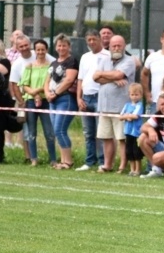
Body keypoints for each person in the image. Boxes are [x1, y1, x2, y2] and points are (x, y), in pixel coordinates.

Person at [93, 34, 135, 173]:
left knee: (121, 138)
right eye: (114, 46)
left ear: (124, 46)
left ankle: (122, 166)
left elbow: (118, 75)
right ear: (109, 47)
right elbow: (95, 77)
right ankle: (107, 165)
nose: (116, 48)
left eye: (119, 45)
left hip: (121, 108)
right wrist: (113, 78)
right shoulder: (104, 60)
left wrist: (104, 74)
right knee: (106, 137)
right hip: (104, 106)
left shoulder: (129, 61)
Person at [19, 39, 57, 166]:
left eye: (43, 49)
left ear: (46, 50)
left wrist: (40, 91)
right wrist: (34, 94)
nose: (40, 52)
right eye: (38, 50)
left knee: (49, 132)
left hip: (46, 101)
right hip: (31, 102)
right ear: (35, 51)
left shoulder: (51, 67)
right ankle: (33, 158)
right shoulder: (29, 66)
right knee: (31, 132)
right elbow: (24, 85)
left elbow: (50, 83)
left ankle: (53, 159)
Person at [76, 29, 110, 171]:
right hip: (86, 97)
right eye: (89, 40)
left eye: (93, 39)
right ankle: (90, 161)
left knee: (100, 132)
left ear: (99, 39)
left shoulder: (108, 55)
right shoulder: (85, 57)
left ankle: (103, 161)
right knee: (88, 133)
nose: (91, 42)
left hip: (100, 97)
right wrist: (79, 98)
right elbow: (80, 79)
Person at [45, 34, 79, 170]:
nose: (61, 48)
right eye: (59, 45)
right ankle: (63, 160)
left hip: (65, 99)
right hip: (52, 100)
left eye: (64, 45)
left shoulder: (72, 61)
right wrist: (47, 93)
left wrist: (56, 93)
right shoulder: (53, 63)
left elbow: (69, 80)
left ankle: (68, 161)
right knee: (56, 130)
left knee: (60, 129)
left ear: (69, 47)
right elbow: (47, 80)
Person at [120, 83, 144, 177]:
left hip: (136, 132)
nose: (134, 97)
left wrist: (128, 116)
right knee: (129, 151)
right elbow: (121, 116)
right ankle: (132, 169)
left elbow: (135, 115)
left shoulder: (140, 105)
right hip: (128, 131)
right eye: (132, 94)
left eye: (136, 94)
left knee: (136, 151)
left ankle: (138, 170)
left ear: (141, 95)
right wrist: (127, 116)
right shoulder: (127, 105)